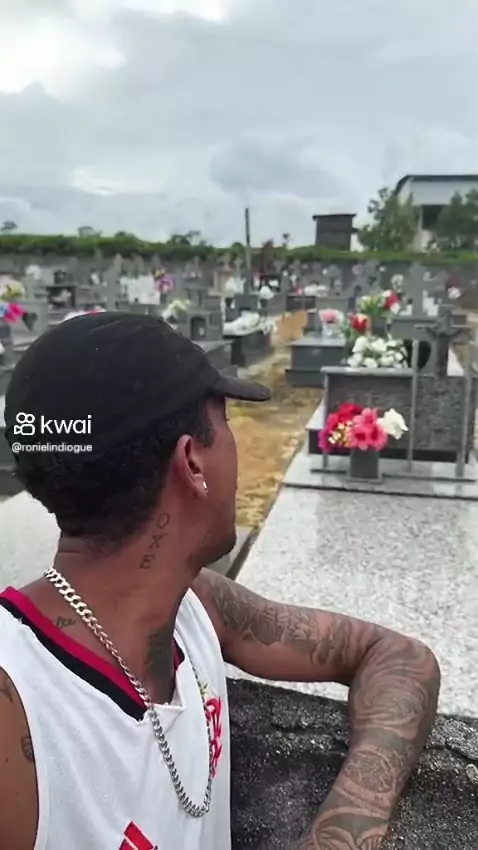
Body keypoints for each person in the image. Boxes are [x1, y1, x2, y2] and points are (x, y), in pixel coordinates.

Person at [0, 312, 440, 850]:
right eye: (226, 423)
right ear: (192, 461)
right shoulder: (17, 706)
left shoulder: (195, 606)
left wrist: (345, 826)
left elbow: (398, 657)